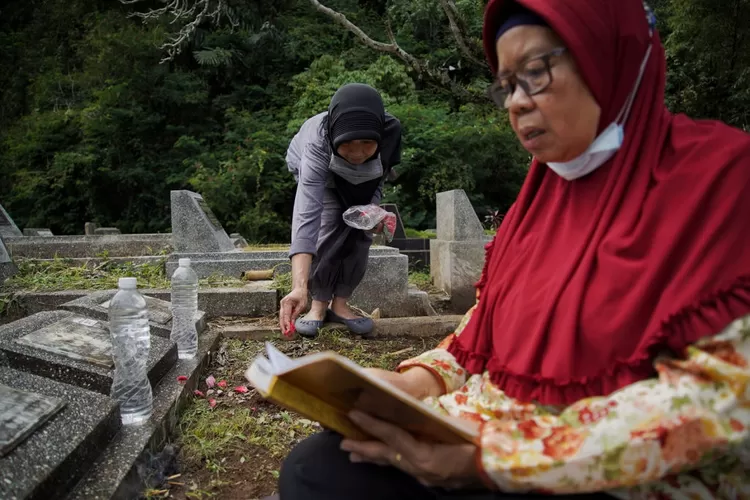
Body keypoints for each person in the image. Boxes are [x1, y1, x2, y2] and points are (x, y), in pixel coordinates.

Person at [277, 0, 750, 498]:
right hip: (496, 425)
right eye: (506, 85)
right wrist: (418, 383)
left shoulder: (721, 182)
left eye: (536, 72)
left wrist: (495, 459)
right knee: (321, 467)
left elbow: (721, 398)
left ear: (607, 57)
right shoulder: (544, 196)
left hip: (602, 463)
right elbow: (485, 324)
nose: (516, 103)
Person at [279, 83, 402, 338]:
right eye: (349, 143)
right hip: (322, 173)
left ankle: (341, 304)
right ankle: (317, 304)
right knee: (330, 224)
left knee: (360, 231)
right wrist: (298, 286)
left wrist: (373, 211)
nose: (357, 152)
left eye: (367, 142)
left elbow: (379, 177)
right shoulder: (317, 142)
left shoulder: (390, 132)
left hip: (361, 178)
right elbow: (307, 217)